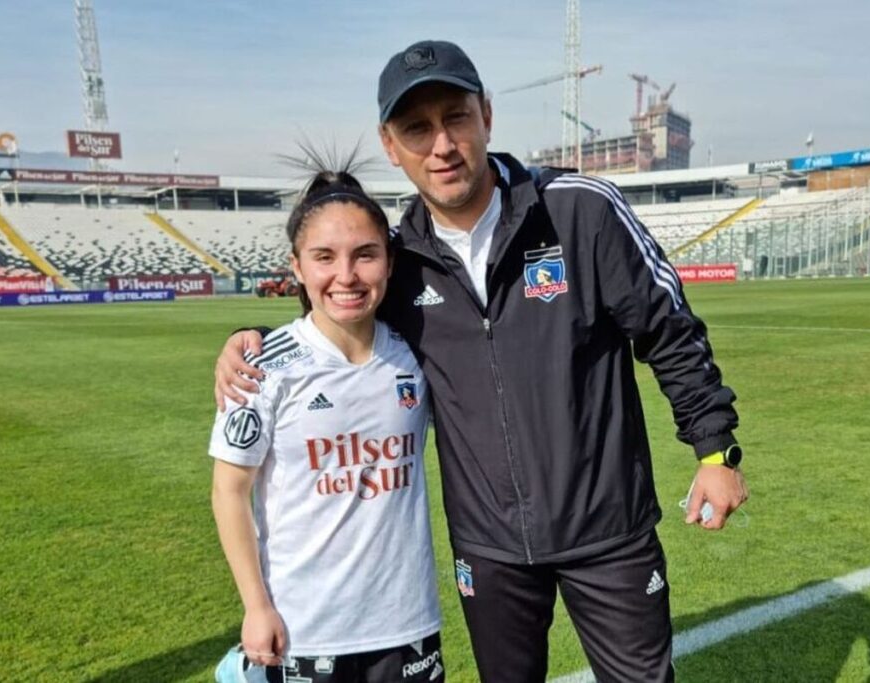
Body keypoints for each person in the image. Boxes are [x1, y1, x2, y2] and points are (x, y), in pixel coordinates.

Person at [215, 41, 748, 682]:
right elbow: (337, 310)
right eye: (417, 128)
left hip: (608, 531)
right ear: (391, 145)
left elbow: (669, 329)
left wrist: (715, 452)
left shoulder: (581, 211)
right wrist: (253, 338)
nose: (441, 145)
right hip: (489, 551)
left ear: (486, 117)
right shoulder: (399, 258)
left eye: (456, 118)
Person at [209, 165, 444, 683]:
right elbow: (230, 491)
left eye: (365, 254)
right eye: (324, 257)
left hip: (407, 622)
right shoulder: (261, 367)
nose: (346, 276)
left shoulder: (415, 352)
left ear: (389, 260)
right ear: (296, 266)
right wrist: (255, 606)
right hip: (305, 627)